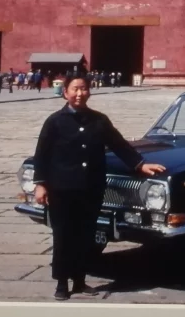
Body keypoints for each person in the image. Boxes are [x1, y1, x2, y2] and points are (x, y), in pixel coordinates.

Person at [32, 73, 166, 301]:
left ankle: (80, 280)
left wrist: (140, 165)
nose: (79, 94)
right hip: (62, 190)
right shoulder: (55, 122)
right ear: (65, 92)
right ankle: (62, 283)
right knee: (64, 236)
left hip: (90, 188)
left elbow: (119, 144)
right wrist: (40, 184)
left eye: (83, 89)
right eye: (74, 89)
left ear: (89, 91)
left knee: (85, 236)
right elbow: (41, 155)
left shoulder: (99, 120)